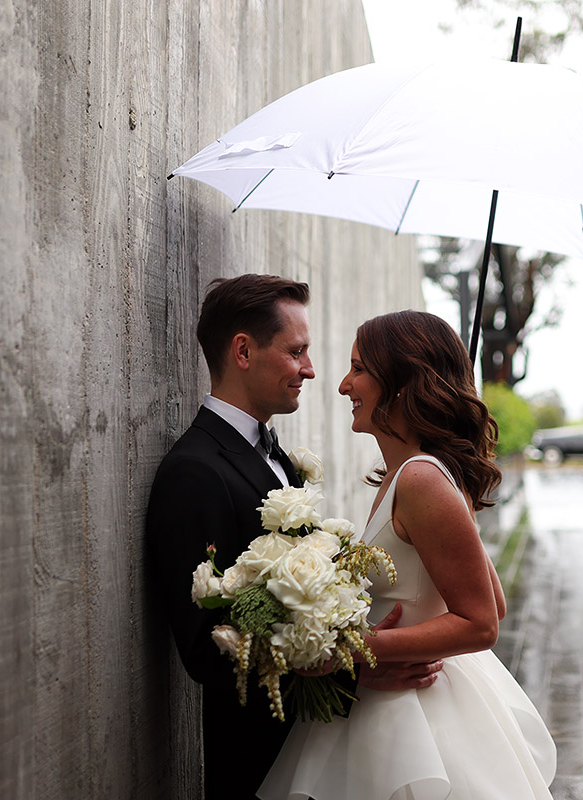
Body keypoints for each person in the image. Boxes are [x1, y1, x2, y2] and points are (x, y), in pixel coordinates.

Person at [145, 276, 439, 800]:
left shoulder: (280, 458)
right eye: (297, 351)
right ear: (242, 351)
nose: (310, 369)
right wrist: (349, 671)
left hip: (317, 754)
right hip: (257, 760)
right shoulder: (194, 472)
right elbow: (205, 651)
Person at [259, 310, 556, 800]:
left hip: (418, 717)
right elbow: (494, 601)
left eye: (358, 369)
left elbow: (483, 622)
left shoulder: (422, 479)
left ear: (401, 381)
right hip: (393, 702)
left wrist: (344, 651)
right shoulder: (414, 475)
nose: (342, 385)